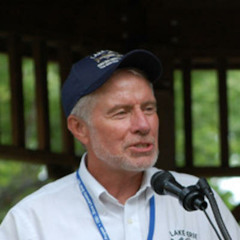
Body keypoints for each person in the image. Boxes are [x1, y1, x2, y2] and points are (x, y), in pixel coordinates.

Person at [0, 49, 239, 240]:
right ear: (79, 128)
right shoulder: (31, 220)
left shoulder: (200, 202)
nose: (143, 125)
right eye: (121, 113)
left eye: (149, 109)